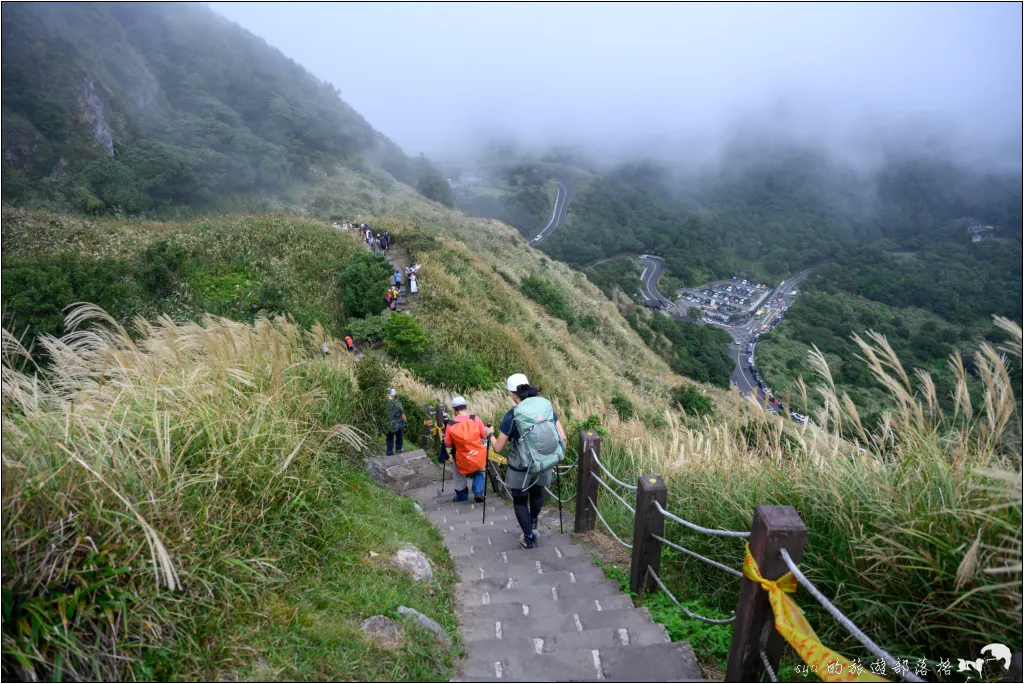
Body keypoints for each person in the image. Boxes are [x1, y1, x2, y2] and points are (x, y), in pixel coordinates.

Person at [487, 373, 567, 549]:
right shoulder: (546, 407)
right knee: (538, 494)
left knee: (520, 500)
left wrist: (490, 434)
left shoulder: (512, 415)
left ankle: (529, 538)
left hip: (520, 466)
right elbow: (563, 438)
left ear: (511, 393)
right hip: (544, 462)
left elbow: (498, 448)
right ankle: (532, 522)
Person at [440, 396, 489, 502]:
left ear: (453, 410)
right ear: (466, 406)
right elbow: (484, 436)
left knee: (458, 474)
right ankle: (478, 492)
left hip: (461, 457)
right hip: (476, 454)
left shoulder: (450, 424)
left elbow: (448, 444)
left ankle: (462, 497)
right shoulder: (475, 419)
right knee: (480, 470)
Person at [385, 389, 407, 456]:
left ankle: (389, 453)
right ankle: (398, 451)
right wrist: (406, 423)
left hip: (388, 425)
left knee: (389, 438)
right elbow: (403, 415)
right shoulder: (398, 403)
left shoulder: (385, 403)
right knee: (399, 437)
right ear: (394, 395)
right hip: (398, 424)